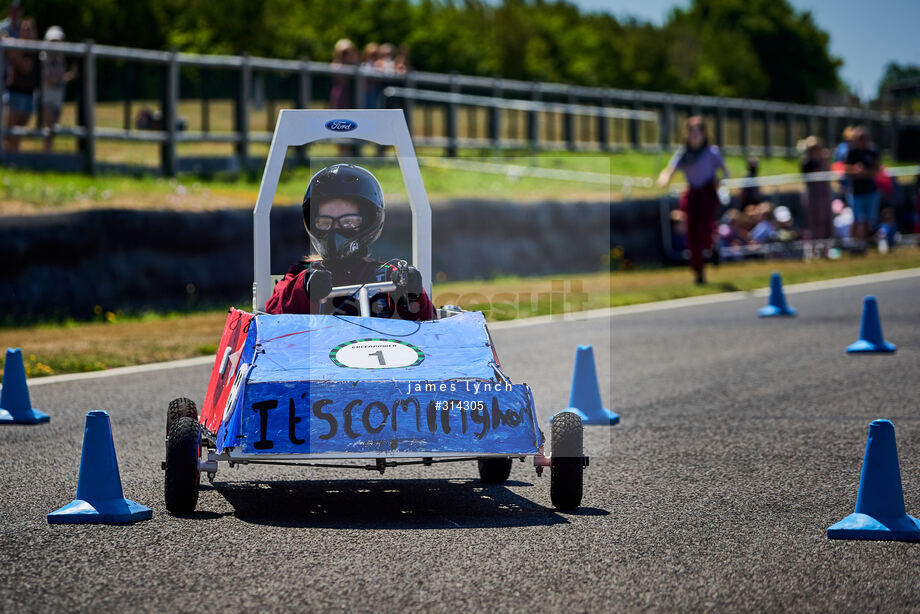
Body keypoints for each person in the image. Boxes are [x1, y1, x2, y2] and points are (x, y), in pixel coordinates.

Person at [266, 164, 434, 321]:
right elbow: (272, 317)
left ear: (368, 222)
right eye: (325, 223)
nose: (334, 231)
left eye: (348, 222)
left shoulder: (388, 275)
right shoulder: (300, 273)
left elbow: (425, 326)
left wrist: (411, 295)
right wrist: (305, 290)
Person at [657, 116, 729, 284]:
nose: (695, 136)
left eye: (698, 132)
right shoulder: (684, 154)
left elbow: (725, 171)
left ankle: (712, 247)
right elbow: (670, 169)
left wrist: (720, 180)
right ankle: (698, 271)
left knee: (705, 228)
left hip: (708, 194)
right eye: (692, 132)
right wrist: (663, 179)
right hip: (693, 194)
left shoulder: (711, 152)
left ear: (704, 134)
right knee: (692, 233)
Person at [4, 16, 38, 152]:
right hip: (16, 93)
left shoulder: (35, 49)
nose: (27, 32)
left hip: (29, 94)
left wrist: (13, 53)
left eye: (30, 29)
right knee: (10, 133)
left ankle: (12, 158)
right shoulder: (18, 45)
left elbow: (26, 67)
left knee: (18, 134)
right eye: (25, 29)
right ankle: (8, 159)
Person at [843, 125, 880, 249]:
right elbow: (845, 169)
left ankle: (866, 243)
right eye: (859, 138)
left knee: (869, 220)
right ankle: (854, 244)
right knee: (857, 219)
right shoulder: (851, 151)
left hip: (871, 191)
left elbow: (876, 170)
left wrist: (863, 172)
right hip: (856, 192)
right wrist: (855, 170)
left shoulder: (873, 150)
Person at [39, 25, 76, 152]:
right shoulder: (44, 57)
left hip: (58, 94)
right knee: (48, 125)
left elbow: (59, 78)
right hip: (48, 94)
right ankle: (46, 153)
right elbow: (48, 78)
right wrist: (58, 78)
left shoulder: (61, 58)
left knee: (53, 127)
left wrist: (70, 75)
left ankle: (48, 152)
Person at [800, 136, 833, 248]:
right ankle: (813, 250)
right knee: (814, 224)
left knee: (826, 222)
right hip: (813, 197)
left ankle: (826, 249)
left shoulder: (823, 160)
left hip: (824, 196)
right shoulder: (807, 163)